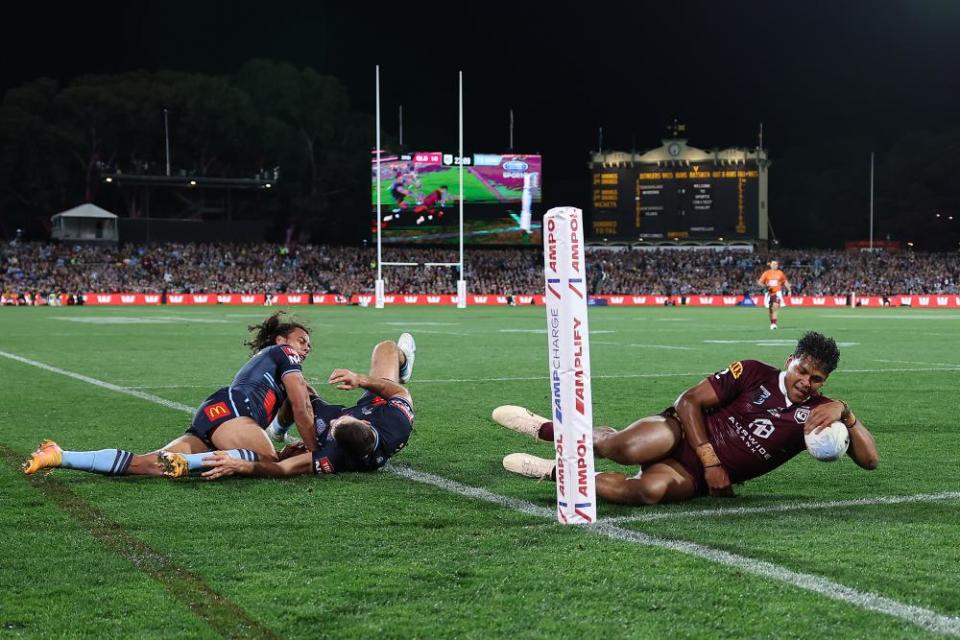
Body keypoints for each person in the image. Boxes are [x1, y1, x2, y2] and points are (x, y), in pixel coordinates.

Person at [493, 332, 879, 506]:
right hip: (682, 435)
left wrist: (847, 413)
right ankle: (542, 428)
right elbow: (688, 401)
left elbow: (870, 461)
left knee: (647, 492)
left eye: (817, 380)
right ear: (789, 361)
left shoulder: (822, 412)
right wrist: (711, 460)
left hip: (693, 477)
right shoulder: (753, 372)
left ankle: (555, 472)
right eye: (803, 372)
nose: (807, 383)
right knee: (622, 447)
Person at [22, 312, 317, 477]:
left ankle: (59, 456)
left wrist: (279, 433)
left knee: (148, 464)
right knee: (270, 463)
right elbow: (302, 407)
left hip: (215, 411)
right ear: (281, 340)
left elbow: (289, 411)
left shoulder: (272, 369)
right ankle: (189, 464)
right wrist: (314, 450)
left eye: (308, 344)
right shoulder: (284, 353)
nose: (306, 347)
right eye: (301, 341)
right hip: (235, 412)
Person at [198, 333, 416, 479]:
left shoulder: (333, 456)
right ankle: (405, 363)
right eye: (339, 420)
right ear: (364, 421)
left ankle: (278, 428)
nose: (333, 419)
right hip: (378, 405)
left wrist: (240, 465)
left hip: (350, 434)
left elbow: (282, 469)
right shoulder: (397, 423)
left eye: (334, 425)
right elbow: (400, 392)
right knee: (386, 348)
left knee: (298, 391)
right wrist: (360, 379)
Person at [758, 259, 792, 329]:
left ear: (777, 265)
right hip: (769, 293)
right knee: (770, 309)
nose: (774, 265)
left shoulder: (780, 273)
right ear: (770, 265)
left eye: (776, 264)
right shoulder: (766, 273)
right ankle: (772, 322)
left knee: (775, 307)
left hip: (777, 293)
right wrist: (765, 286)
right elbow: (760, 282)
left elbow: (785, 282)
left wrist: (789, 290)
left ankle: (774, 324)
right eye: (773, 264)